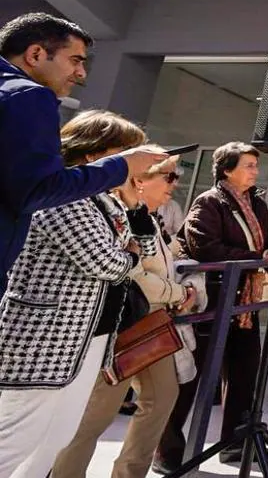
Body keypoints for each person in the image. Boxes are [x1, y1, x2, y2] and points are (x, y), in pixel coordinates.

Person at [0, 110, 147, 478]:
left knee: (54, 440)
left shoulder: (106, 201)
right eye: (129, 153)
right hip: (42, 343)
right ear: (94, 156)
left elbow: (137, 248)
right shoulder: (66, 197)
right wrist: (127, 254)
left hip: (84, 339)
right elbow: (109, 263)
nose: (139, 165)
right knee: (14, 440)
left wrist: (135, 210)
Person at [52, 148, 200, 478]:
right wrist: (177, 292)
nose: (173, 185)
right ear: (138, 180)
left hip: (152, 323)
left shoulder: (146, 217)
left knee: (163, 397)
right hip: (123, 324)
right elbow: (132, 273)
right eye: (168, 176)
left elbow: (154, 265)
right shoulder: (115, 212)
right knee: (96, 415)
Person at [0, 12, 165, 295]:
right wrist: (121, 166)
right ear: (36, 54)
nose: (81, 73)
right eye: (75, 60)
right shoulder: (30, 96)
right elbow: (37, 190)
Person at [155, 142, 268, 471]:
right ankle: (167, 454)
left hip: (244, 303)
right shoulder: (210, 202)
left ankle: (235, 445)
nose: (256, 170)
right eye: (249, 165)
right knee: (190, 378)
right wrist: (256, 259)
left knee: (243, 373)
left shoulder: (256, 201)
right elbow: (206, 248)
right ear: (227, 170)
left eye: (256, 165)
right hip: (209, 303)